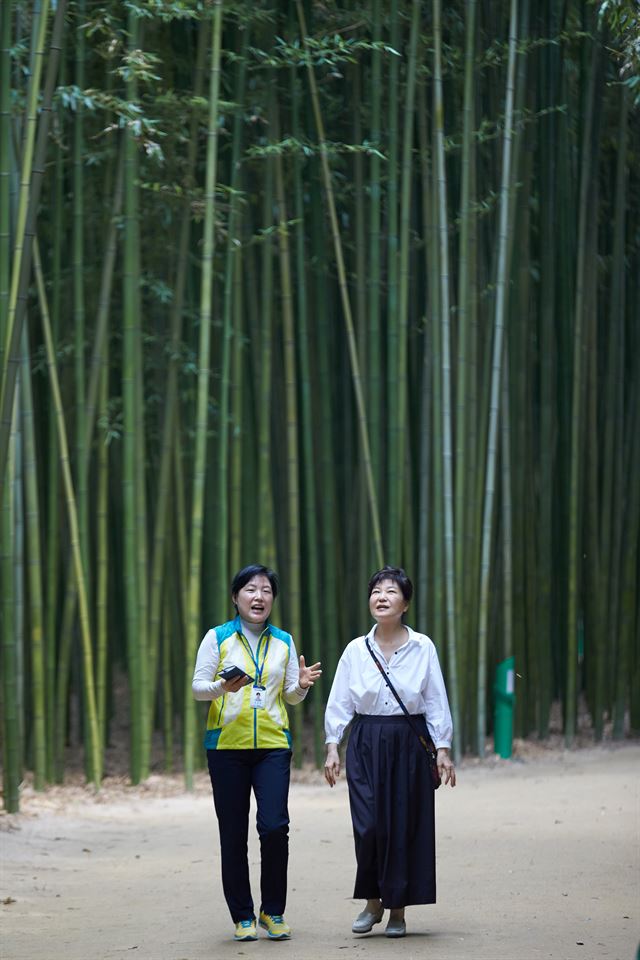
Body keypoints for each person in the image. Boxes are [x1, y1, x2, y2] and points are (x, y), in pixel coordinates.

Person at [324, 565, 455, 939]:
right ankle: (372, 901)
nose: (381, 597)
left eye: (391, 592)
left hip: (407, 740)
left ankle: (397, 908)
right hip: (365, 740)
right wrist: (332, 745)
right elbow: (339, 702)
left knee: (403, 825)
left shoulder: (422, 646)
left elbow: (434, 700)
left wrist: (442, 748)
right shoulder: (355, 649)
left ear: (406, 604)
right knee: (369, 826)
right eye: (376, 591)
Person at [192, 563, 321, 943]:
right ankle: (243, 915)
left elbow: (291, 699)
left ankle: (273, 911)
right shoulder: (217, 638)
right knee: (232, 833)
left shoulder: (283, 641)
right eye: (250, 589)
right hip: (226, 747)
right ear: (236, 597)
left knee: (275, 826)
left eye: (266, 590)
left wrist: (302, 686)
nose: (259, 596)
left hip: (273, 746)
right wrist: (222, 687)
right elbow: (198, 687)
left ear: (272, 599)